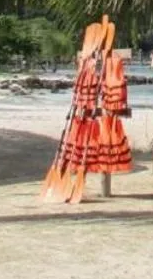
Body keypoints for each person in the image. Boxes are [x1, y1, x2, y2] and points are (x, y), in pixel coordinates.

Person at [40, 15, 132, 203]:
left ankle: (78, 182)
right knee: (77, 150)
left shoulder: (102, 60)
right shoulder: (88, 61)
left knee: (91, 146)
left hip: (92, 112)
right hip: (83, 113)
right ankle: (67, 181)